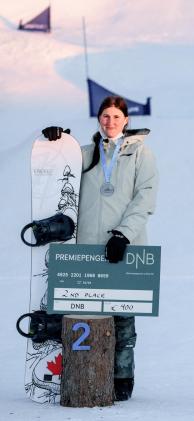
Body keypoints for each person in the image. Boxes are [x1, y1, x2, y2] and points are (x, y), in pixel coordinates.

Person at [42, 95, 158, 401]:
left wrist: (123, 234)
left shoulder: (140, 154)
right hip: (87, 249)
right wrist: (56, 142)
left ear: (126, 120)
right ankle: (84, 374)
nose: (111, 122)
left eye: (117, 117)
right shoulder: (85, 153)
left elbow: (145, 198)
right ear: (98, 119)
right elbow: (58, 171)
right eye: (105, 116)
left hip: (124, 246)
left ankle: (122, 376)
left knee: (123, 320)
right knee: (85, 315)